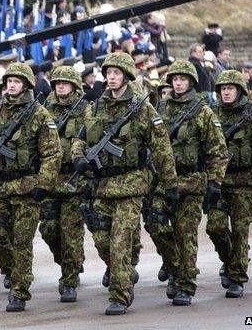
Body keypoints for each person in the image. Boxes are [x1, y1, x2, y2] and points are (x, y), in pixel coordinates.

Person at [71, 52, 178, 315]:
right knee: (101, 240)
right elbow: (80, 139)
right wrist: (78, 158)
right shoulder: (94, 107)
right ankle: (124, 272)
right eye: (108, 73)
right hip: (102, 185)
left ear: (127, 76)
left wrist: (170, 184)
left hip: (131, 185)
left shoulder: (142, 108)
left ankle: (119, 295)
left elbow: (162, 148)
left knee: (120, 241)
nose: (111, 77)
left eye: (116, 73)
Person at [0, 62, 62, 312]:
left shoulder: (38, 114)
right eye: (8, 81)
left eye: (16, 81)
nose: (11, 85)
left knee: (22, 242)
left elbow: (52, 153)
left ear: (26, 85)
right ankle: (12, 271)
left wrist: (44, 184)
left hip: (26, 188)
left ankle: (20, 290)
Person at [155, 59, 228, 306]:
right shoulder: (161, 108)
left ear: (191, 82)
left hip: (191, 182)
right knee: (156, 225)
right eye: (174, 79)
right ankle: (176, 270)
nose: (178, 83)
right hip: (164, 181)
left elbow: (218, 150)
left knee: (185, 235)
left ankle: (186, 285)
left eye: (182, 79)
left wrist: (215, 182)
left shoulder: (203, 111)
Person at [206, 70, 252, 298]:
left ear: (239, 90)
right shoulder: (212, 115)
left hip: (245, 184)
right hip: (220, 182)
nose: (225, 92)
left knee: (240, 231)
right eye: (222, 88)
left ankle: (237, 278)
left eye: (230, 88)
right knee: (215, 227)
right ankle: (231, 261)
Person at [40, 66, 87, 302]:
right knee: (48, 229)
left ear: (74, 86)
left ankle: (69, 279)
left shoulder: (86, 110)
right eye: (57, 82)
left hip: (73, 181)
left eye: (65, 83)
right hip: (49, 179)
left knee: (70, 232)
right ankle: (70, 261)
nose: (60, 86)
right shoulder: (43, 110)